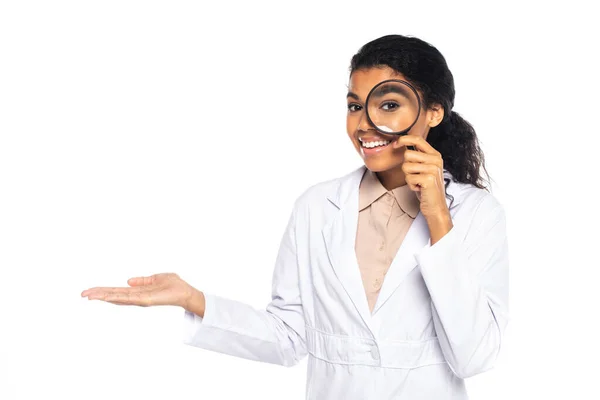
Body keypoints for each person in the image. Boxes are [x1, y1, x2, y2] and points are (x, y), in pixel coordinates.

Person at [81, 34, 509, 399]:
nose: (364, 123)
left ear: (432, 112)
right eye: (355, 105)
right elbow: (289, 337)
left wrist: (437, 217)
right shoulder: (316, 207)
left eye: (389, 104)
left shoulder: (475, 214)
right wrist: (193, 299)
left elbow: (473, 357)